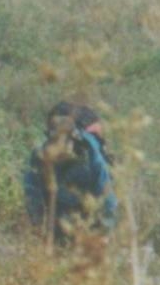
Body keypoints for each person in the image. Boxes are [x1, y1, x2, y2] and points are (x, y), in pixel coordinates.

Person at [21, 102, 116, 242]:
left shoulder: (87, 150)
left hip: (77, 224)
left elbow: (107, 197)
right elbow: (31, 193)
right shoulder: (41, 155)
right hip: (69, 223)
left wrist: (104, 235)